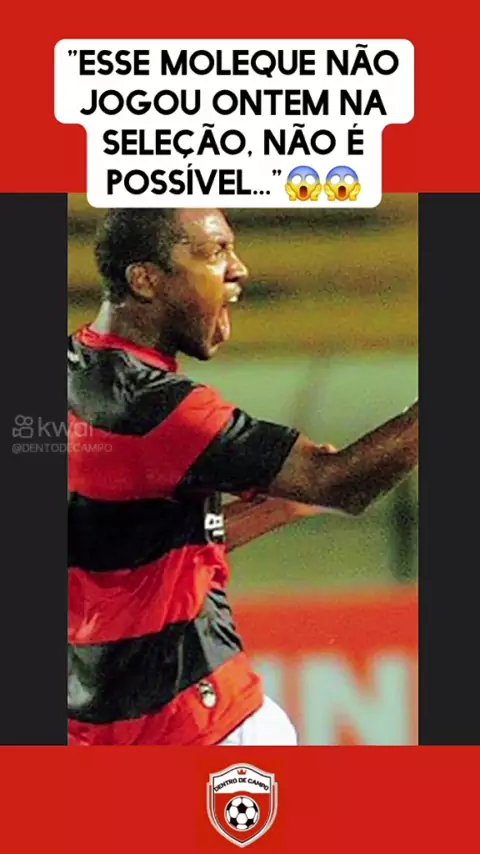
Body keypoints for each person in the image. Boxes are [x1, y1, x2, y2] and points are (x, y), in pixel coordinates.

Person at [68, 207, 418, 746]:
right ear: (145, 279)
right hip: (203, 729)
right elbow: (338, 483)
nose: (239, 269)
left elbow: (118, 546)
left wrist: (276, 507)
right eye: (214, 252)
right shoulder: (161, 410)